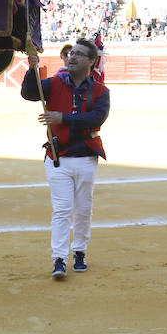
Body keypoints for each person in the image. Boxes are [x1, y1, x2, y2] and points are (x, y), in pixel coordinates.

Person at [21, 38, 110, 279]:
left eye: (79, 54)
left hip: (85, 157)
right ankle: (59, 258)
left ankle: (79, 250)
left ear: (91, 61)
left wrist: (63, 118)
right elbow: (29, 93)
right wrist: (32, 68)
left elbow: (96, 119)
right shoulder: (55, 83)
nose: (72, 57)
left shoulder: (101, 91)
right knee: (61, 209)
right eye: (71, 53)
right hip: (57, 156)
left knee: (83, 209)